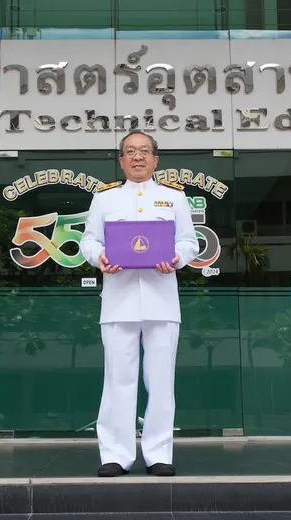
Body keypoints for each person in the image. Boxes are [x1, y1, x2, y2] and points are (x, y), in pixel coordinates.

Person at [81, 130, 199, 477]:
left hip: (162, 299)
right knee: (118, 380)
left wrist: (176, 258)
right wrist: (98, 256)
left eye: (144, 151)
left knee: (161, 382)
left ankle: (158, 453)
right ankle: (115, 455)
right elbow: (89, 240)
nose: (137, 157)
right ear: (121, 160)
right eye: (130, 151)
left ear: (155, 159)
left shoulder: (174, 198)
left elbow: (189, 242)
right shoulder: (105, 199)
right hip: (118, 300)